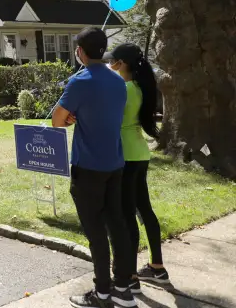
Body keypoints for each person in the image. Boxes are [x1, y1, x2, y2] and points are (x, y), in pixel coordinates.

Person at [52, 27, 135, 308]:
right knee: (118, 225)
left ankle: (101, 293)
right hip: (115, 164)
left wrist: (71, 116)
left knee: (96, 232)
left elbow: (57, 120)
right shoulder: (118, 81)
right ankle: (124, 289)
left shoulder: (80, 81)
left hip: (88, 167)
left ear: (80, 52)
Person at [104, 43, 170, 292]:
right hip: (140, 152)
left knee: (126, 216)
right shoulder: (141, 87)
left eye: (113, 61)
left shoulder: (125, 89)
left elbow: (110, 118)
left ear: (122, 64)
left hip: (126, 154)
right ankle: (157, 266)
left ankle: (129, 275)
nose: (110, 65)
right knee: (145, 209)